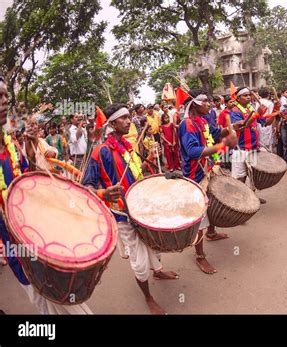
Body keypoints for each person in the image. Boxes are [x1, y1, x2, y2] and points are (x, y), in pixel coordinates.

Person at [0, 75, 92, 314]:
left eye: (5, 96)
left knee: (64, 299)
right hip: (16, 245)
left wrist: (30, 152)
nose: (3, 102)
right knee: (48, 303)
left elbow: (25, 180)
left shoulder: (9, 142)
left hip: (39, 232)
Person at [82, 103, 178, 314]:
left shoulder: (127, 146)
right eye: (124, 118)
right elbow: (86, 186)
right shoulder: (101, 151)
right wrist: (103, 194)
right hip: (122, 215)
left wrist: (150, 160)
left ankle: (159, 270)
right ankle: (148, 297)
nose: (129, 121)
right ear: (113, 123)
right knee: (139, 260)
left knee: (153, 244)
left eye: (129, 117)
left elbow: (135, 173)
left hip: (141, 207)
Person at [178, 89, 238, 274]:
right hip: (196, 175)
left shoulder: (203, 121)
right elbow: (193, 152)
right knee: (201, 217)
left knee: (211, 205)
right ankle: (200, 256)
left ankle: (211, 233)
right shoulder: (187, 124)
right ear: (195, 104)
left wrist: (235, 127)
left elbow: (216, 132)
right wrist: (223, 145)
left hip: (209, 169)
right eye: (206, 102)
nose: (210, 104)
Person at [229, 87, 274, 204]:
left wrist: (275, 111)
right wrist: (257, 114)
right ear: (238, 98)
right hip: (241, 149)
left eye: (249, 95)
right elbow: (242, 127)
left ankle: (252, 197)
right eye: (245, 95)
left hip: (254, 147)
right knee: (240, 177)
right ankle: (239, 201)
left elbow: (265, 123)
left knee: (252, 175)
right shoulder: (234, 111)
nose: (249, 97)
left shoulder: (251, 109)